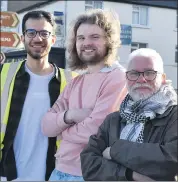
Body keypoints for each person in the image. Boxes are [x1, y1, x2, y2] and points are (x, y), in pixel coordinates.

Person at [41, 9, 127, 181]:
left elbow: (97, 132)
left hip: (91, 174)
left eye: (94, 37)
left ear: (109, 40)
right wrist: (70, 115)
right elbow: (46, 127)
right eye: (81, 38)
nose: (86, 43)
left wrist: (62, 131)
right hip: (59, 171)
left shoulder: (118, 77)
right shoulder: (76, 81)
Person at [0, 10, 77, 181]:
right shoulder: (3, 73)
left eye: (44, 33)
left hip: (54, 174)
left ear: (53, 39)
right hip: (8, 173)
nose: (37, 38)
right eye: (31, 32)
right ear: (23, 39)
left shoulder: (72, 81)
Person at [80, 48, 178, 181]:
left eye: (149, 73)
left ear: (163, 78)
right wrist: (130, 175)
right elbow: (88, 164)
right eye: (134, 73)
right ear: (126, 78)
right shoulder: (113, 119)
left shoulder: (173, 116)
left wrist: (115, 151)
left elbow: (172, 160)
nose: (142, 79)